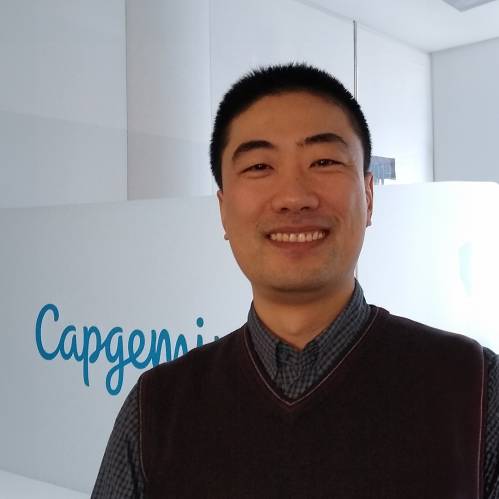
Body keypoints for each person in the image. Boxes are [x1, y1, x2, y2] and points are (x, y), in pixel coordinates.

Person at [92, 63, 499, 498]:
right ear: (223, 210)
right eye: (259, 166)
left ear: (369, 195)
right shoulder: (156, 407)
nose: (294, 197)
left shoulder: (475, 386)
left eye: (324, 161)